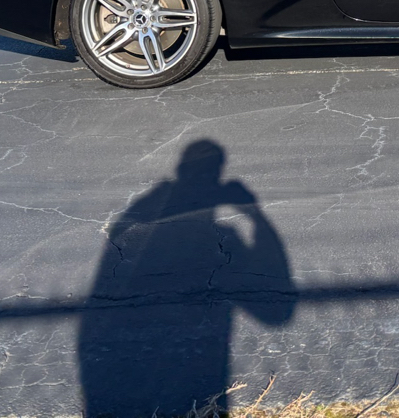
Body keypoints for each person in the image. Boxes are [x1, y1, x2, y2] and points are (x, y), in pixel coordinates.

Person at [77, 140, 294, 417]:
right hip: (194, 374)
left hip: (128, 370)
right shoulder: (226, 237)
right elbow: (277, 314)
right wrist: (255, 215)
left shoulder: (146, 215)